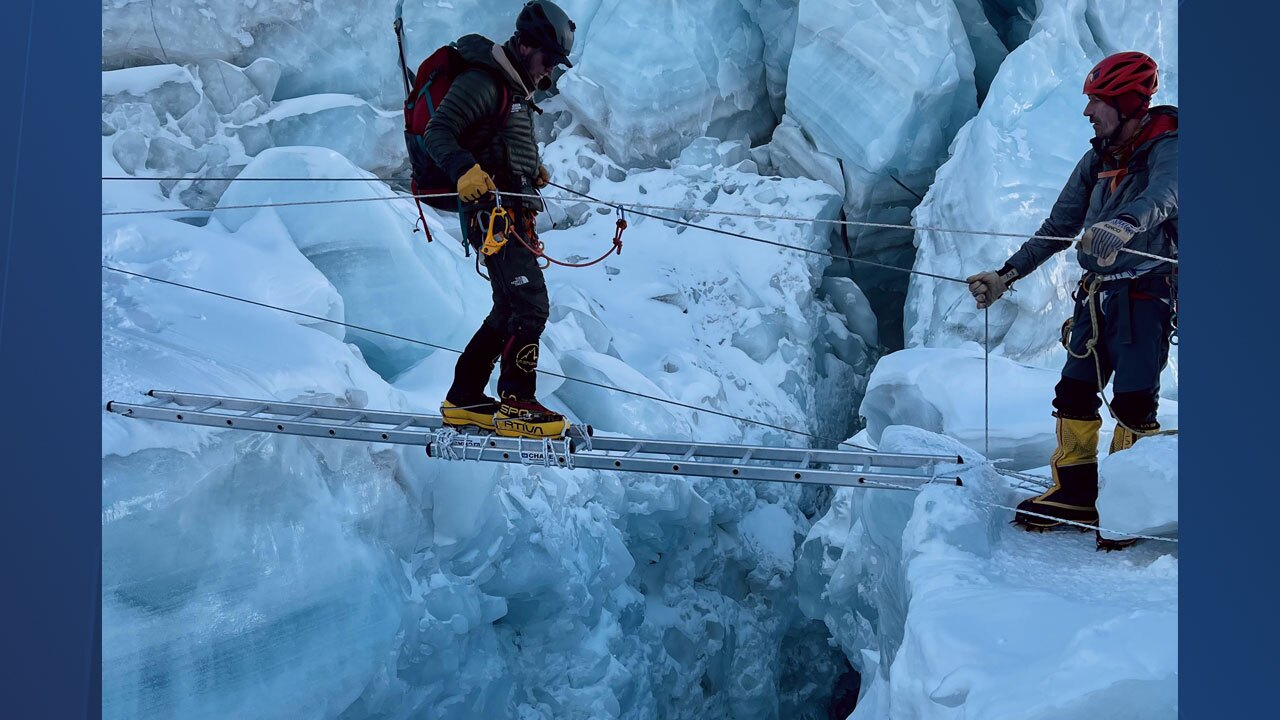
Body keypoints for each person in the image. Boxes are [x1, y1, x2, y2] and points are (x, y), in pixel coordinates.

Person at [966, 51, 1177, 545]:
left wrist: (1125, 224)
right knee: (1075, 392)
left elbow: (1169, 194)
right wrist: (1006, 274)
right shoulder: (1096, 160)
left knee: (1132, 401)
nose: (1088, 113)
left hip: (1146, 295)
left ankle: (1128, 504)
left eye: (1096, 103)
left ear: (1126, 105)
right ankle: (1077, 494)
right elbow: (1060, 227)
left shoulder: (1168, 148)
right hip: (1097, 298)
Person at [424, 0, 576, 438]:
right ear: (526, 44)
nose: (549, 72)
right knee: (530, 304)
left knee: (509, 306)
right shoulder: (483, 81)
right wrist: (463, 170)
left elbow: (499, 143)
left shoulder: (513, 88)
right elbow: (439, 132)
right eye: (548, 60)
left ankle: (465, 397)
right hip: (492, 217)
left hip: (508, 214)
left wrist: (531, 171)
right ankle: (517, 402)